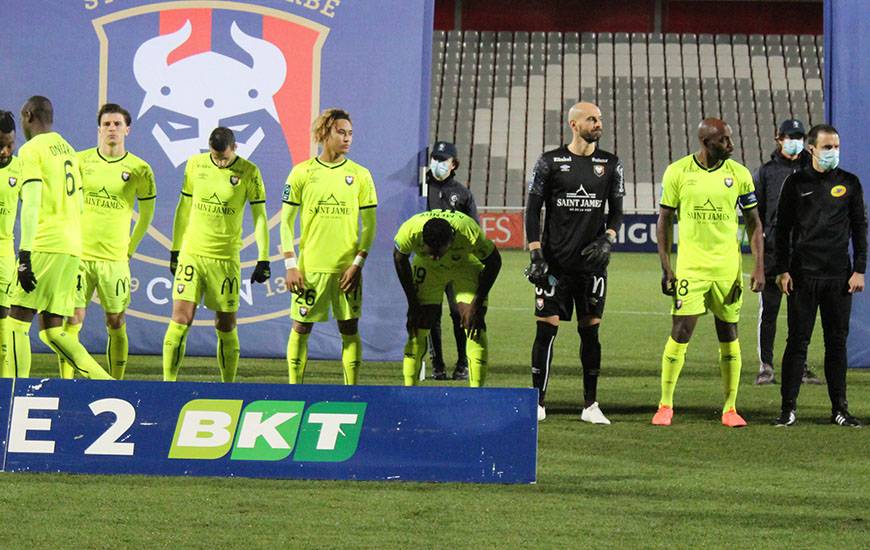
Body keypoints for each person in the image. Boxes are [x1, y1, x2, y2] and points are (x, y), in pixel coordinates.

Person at [653, 118, 764, 427]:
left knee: (729, 334)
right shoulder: (678, 172)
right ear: (706, 143)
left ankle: (730, 408)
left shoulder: (739, 174)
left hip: (728, 270)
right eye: (724, 141)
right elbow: (664, 220)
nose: (730, 145)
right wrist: (667, 267)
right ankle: (665, 405)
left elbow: (754, 223)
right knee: (681, 332)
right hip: (691, 269)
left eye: (730, 139)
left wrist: (758, 265)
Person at [524, 101, 625, 424]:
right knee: (546, 331)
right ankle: (537, 402)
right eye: (591, 119)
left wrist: (608, 237)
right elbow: (532, 209)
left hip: (591, 267)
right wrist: (536, 253)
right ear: (573, 124)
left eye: (600, 119)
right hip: (554, 265)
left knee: (590, 333)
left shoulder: (610, 164)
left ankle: (591, 405)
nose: (598, 124)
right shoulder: (550, 162)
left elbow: (618, 210)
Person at [8, 96, 112, 379]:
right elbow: (78, 203)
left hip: (45, 243)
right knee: (53, 331)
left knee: (15, 323)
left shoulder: (31, 151)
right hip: (71, 245)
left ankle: (14, 394)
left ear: (28, 115)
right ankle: (106, 382)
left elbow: (30, 202)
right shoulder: (68, 149)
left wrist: (25, 254)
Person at [773, 124, 867, 427]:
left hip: (839, 278)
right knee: (797, 343)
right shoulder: (795, 183)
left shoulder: (850, 183)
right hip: (802, 276)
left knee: (836, 344)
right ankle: (788, 409)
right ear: (811, 149)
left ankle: (840, 409)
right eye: (828, 147)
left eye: (836, 146)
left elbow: (859, 228)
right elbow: (782, 229)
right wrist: (783, 269)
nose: (834, 152)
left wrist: (859, 269)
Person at [162, 127, 271, 382]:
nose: (220, 162)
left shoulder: (249, 172)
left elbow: (260, 217)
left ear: (235, 149)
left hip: (225, 259)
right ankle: (168, 384)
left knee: (225, 325)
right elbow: (184, 207)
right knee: (180, 319)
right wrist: (176, 249)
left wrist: (263, 258)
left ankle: (228, 386)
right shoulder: (195, 165)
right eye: (215, 156)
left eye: (224, 157)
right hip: (193, 254)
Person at [57, 104, 156, 380]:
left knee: (115, 321)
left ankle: (117, 384)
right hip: (79, 256)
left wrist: (130, 249)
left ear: (127, 129)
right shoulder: (79, 161)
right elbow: (62, 203)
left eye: (117, 124)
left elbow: (147, 214)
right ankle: (66, 386)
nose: (112, 128)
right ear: (99, 129)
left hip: (114, 260)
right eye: (107, 124)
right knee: (71, 320)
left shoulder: (140, 169)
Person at [281, 109, 377, 385]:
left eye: (350, 133)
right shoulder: (302, 172)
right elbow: (285, 223)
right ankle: (294, 390)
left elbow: (370, 226)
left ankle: (350, 392)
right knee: (300, 327)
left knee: (349, 328)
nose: (347, 138)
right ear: (324, 133)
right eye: (341, 132)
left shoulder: (360, 175)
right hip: (310, 269)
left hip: (346, 270)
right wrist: (291, 264)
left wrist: (357, 264)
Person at [393, 209, 501, 387]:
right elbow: (399, 258)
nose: (435, 256)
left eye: (438, 251)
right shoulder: (410, 230)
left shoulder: (468, 231)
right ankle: (409, 391)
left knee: (474, 325)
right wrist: (412, 303)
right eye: (430, 251)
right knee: (417, 326)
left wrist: (477, 302)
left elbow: (494, 261)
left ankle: (476, 394)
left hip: (464, 265)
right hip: (428, 269)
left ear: (451, 240)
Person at [753, 119, 821, 385]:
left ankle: (799, 366)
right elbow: (755, 218)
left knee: (801, 314)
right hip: (773, 253)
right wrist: (758, 261)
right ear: (778, 138)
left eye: (799, 136)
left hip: (804, 253)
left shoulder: (813, 170)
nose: (796, 141)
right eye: (790, 136)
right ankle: (766, 366)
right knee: (768, 312)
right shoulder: (766, 173)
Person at [425, 140, 479, 380]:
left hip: (456, 263)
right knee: (431, 315)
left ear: (453, 163)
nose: (437, 163)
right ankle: (436, 364)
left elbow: (474, 229)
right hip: (428, 264)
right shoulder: (420, 188)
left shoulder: (463, 193)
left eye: (442, 159)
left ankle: (462, 362)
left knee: (459, 313)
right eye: (435, 158)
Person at [0, 111, 22, 376]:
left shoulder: (21, 168)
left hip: (5, 251)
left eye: (10, 144)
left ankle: (4, 388)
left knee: (4, 314)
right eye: (0, 145)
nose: (5, 151)